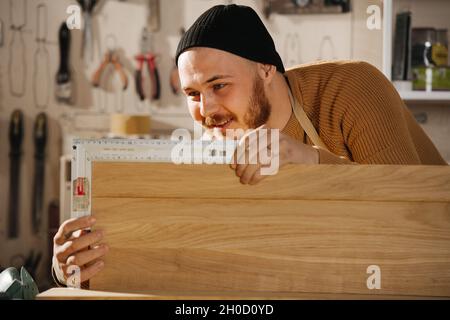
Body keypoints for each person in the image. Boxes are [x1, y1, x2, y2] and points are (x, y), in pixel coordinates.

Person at [52, 4, 447, 287]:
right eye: (191, 93)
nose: (206, 111)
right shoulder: (214, 138)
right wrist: (75, 265)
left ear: (266, 68)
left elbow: (410, 214)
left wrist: (312, 162)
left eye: (219, 86)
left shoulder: (352, 87)